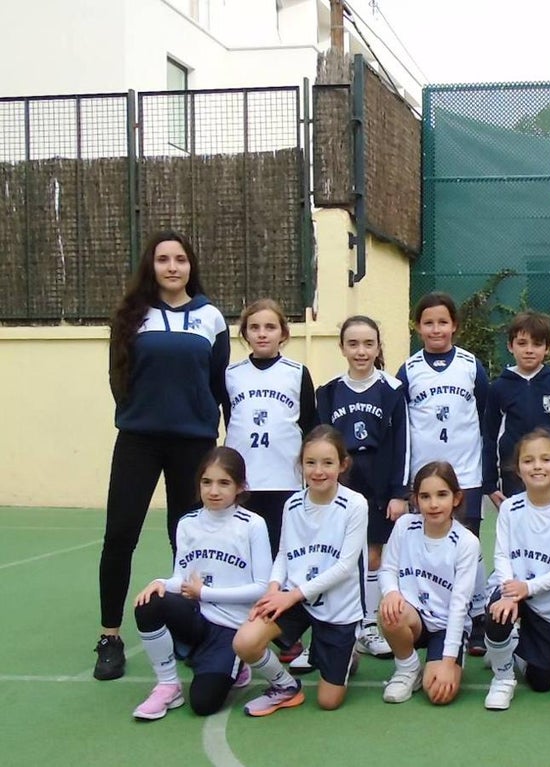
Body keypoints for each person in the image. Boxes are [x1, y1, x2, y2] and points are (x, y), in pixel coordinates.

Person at [96, 230, 230, 681]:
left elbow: (217, 383)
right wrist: (139, 414)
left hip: (193, 443)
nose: (172, 267)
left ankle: (189, 629)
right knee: (120, 536)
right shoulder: (131, 316)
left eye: (180, 259)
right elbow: (118, 377)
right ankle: (110, 636)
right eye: (162, 259)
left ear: (191, 266)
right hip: (139, 440)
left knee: (187, 538)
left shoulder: (210, 317)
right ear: (150, 266)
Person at [231, 426, 369, 717]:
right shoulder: (292, 504)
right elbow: (283, 553)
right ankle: (285, 687)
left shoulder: (355, 505)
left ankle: (345, 653)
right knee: (245, 641)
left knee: (328, 702)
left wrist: (289, 596)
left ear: (342, 465)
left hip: (336, 608)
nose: (318, 471)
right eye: (310, 463)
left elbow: (345, 567)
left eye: (327, 463)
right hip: (295, 599)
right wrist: (272, 589)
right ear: (301, 465)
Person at [131, 447, 272, 719]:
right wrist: (159, 583)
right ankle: (167, 685)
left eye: (224, 483)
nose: (214, 491)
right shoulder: (187, 523)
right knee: (149, 602)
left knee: (203, 704)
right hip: (196, 618)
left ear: (241, 486)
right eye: (206, 482)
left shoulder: (253, 525)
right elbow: (180, 579)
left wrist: (204, 592)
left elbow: (262, 588)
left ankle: (236, 664)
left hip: (230, 627)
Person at [316, 316, 409, 660]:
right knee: (340, 555)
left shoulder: (392, 390)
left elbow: (403, 442)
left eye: (368, 344)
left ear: (379, 347)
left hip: (379, 481)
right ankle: (339, 624)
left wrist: (399, 492)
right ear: (341, 347)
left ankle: (368, 625)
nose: (361, 351)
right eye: (353, 344)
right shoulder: (327, 392)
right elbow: (318, 444)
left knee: (373, 556)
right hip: (341, 480)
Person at [483, 429, 550, 710]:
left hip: (543, 600)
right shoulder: (510, 508)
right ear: (518, 468)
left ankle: (510, 646)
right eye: (528, 460)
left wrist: (529, 588)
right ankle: (502, 677)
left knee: (542, 682)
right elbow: (501, 555)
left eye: (545, 459)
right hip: (510, 590)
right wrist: (509, 592)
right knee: (498, 612)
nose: (537, 466)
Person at [379, 461, 483, 706]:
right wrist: (392, 593)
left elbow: (459, 606)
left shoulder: (466, 542)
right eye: (425, 496)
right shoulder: (405, 526)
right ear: (415, 500)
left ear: (456, 498)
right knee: (391, 610)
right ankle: (407, 669)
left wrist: (447, 663)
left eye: (442, 495)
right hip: (413, 618)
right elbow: (388, 570)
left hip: (446, 625)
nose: (433, 504)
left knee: (439, 693)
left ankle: (446, 660)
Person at [224, 298, 318, 554]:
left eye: (270, 327)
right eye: (254, 328)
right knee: (246, 550)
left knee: (282, 549)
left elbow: (310, 425)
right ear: (245, 333)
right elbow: (230, 420)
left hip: (285, 478)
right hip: (244, 480)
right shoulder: (231, 374)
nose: (262, 334)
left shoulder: (297, 372)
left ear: (283, 332)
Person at [398, 292, 488, 538]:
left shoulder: (471, 366)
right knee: (424, 547)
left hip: (466, 475)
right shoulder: (409, 370)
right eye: (428, 323)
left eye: (443, 322)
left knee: (467, 546)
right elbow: (401, 426)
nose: (436, 329)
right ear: (418, 327)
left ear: (454, 325)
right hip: (423, 476)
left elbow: (483, 415)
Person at [483, 310, 550, 503]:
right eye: (522, 343)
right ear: (510, 346)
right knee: (518, 528)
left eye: (537, 344)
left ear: (548, 348)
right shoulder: (498, 388)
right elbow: (489, 436)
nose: (529, 350)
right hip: (513, 474)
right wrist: (489, 483)